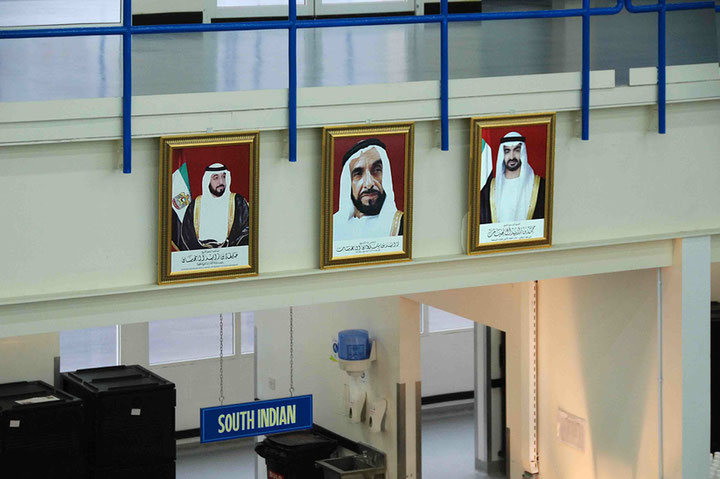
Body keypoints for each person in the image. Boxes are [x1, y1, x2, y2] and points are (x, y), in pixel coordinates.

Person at [333, 138, 404, 241]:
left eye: (377, 170)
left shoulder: (402, 224)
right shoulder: (333, 227)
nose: (369, 184)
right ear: (348, 183)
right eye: (358, 174)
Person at [479, 131, 545, 224]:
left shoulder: (541, 187)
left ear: (523, 153)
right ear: (502, 154)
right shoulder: (488, 190)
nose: (511, 157)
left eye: (516, 150)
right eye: (507, 151)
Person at [180, 163, 250, 250]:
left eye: (223, 177)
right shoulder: (195, 205)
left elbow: (246, 230)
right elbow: (187, 234)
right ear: (207, 181)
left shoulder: (237, 201)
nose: (221, 182)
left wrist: (228, 246)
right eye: (216, 178)